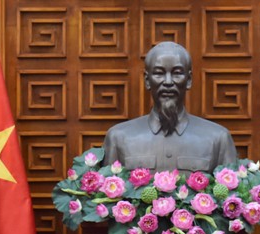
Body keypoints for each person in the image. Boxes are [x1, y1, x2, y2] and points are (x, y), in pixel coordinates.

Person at [102, 41, 238, 173]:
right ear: (147, 80)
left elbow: (232, 194)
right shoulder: (118, 137)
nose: (168, 82)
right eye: (159, 73)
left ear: (189, 80)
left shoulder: (218, 138)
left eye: (177, 73)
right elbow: (104, 192)